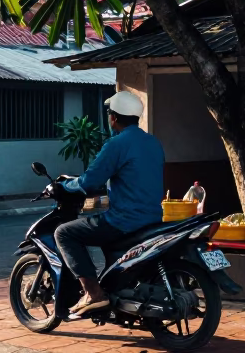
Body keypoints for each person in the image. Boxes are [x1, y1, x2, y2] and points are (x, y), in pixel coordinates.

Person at [54, 90, 165, 316]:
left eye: (109, 115)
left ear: (113, 117)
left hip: (124, 221)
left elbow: (90, 181)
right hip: (153, 219)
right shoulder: (153, 142)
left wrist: (64, 186)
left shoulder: (116, 144)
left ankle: (93, 293)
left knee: (64, 233)